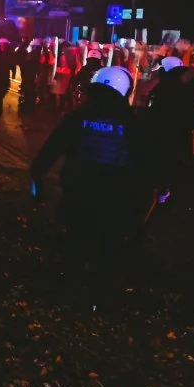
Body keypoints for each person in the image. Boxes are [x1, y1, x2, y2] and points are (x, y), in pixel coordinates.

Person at [31, 66, 152, 312]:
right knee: (107, 249)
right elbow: (147, 161)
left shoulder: (79, 117)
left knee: (75, 240)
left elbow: (52, 148)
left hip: (78, 192)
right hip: (115, 198)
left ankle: (67, 294)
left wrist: (37, 174)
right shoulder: (131, 123)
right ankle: (97, 300)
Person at [143, 56, 194, 200]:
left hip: (161, 131)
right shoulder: (189, 84)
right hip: (181, 132)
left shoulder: (163, 86)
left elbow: (149, 105)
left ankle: (161, 192)